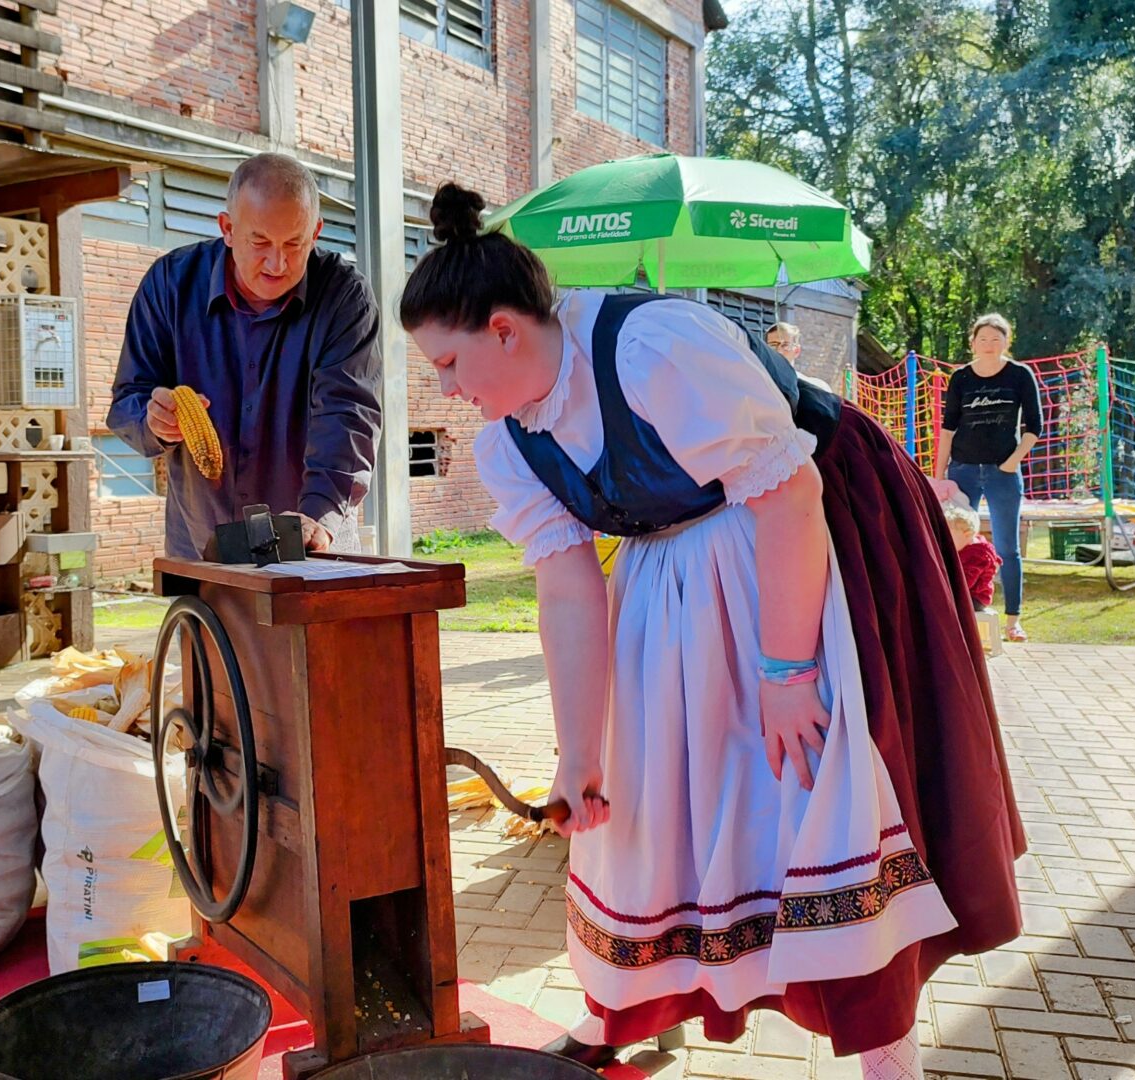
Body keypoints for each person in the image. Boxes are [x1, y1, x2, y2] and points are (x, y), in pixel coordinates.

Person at [399, 183, 1023, 1080]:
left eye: (450, 365)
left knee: (818, 775)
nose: (449, 392)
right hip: (669, 565)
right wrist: (578, 753)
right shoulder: (511, 439)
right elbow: (570, 590)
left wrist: (785, 671)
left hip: (811, 523)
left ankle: (888, 1054)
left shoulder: (653, 348)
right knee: (647, 792)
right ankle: (625, 1009)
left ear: (504, 329)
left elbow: (788, 495)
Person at [105, 152, 381, 559]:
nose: (278, 262)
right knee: (203, 626)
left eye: (294, 243)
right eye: (260, 242)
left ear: (316, 232)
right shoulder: (170, 286)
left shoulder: (344, 299)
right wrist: (154, 419)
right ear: (228, 228)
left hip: (309, 540)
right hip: (200, 543)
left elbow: (347, 417)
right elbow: (128, 399)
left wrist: (319, 515)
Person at [932, 315, 1042, 642]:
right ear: (973, 342)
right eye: (983, 339)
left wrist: (1011, 463)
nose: (989, 345)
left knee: (1008, 547)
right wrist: (939, 475)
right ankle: (951, 612)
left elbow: (1033, 427)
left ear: (1006, 341)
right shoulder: (961, 378)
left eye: (996, 339)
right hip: (962, 470)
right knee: (951, 542)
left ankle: (1012, 621)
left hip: (1002, 473)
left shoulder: (1020, 375)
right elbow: (948, 427)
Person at [943, 502, 1000, 612]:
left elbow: (965, 582)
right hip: (963, 593)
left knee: (940, 607)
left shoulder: (977, 555)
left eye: (949, 537)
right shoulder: (963, 547)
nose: (946, 542)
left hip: (975, 597)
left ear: (967, 534)